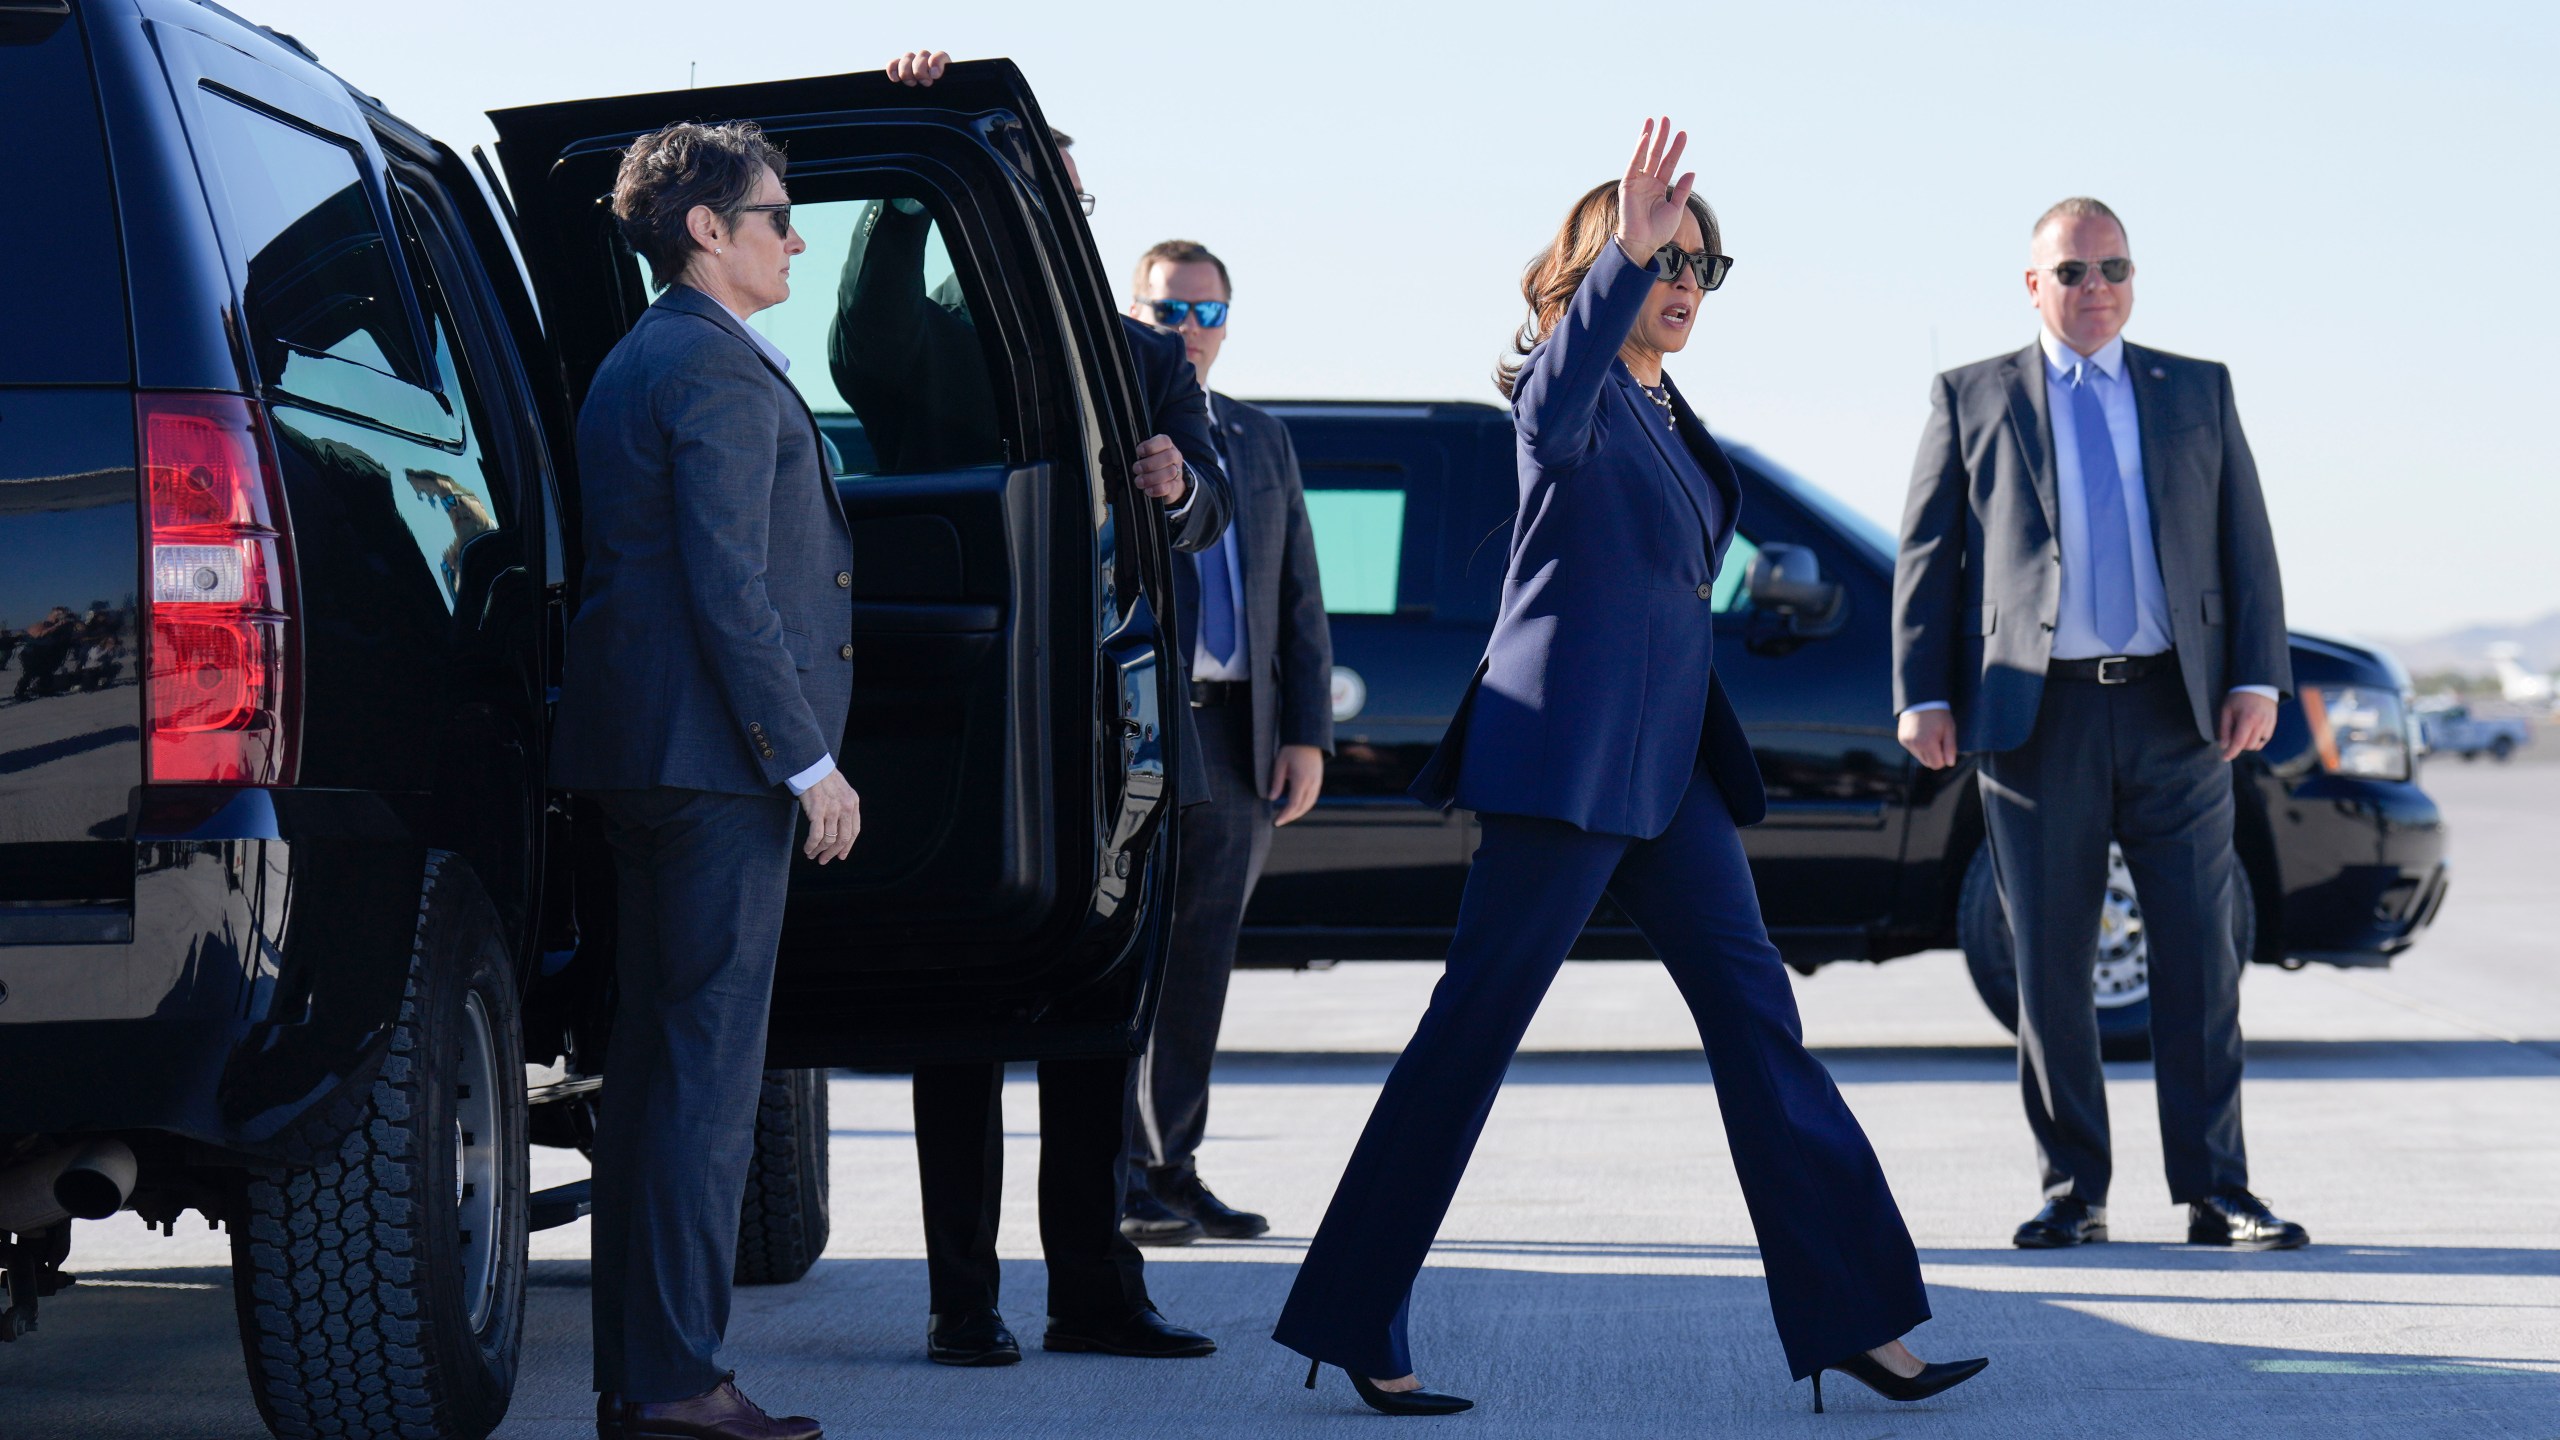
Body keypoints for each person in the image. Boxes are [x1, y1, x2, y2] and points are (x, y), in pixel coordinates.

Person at [1272, 119, 1988, 1419]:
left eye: (1703, 267)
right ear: (1595, 273)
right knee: (1470, 1039)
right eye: (1664, 258)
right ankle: (1353, 1317)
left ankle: (1858, 1319)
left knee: (1760, 1021)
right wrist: (1620, 261)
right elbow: (1551, 400)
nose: (1684, 282)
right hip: (1563, 763)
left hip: (1671, 775)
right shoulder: (1573, 391)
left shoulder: (1667, 410)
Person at [844, 46, 1233, 1371]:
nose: (1048, 211)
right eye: (1020, 189)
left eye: (1062, 193)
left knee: (1096, 1015)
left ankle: (1095, 1295)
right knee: (963, 1022)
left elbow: (1210, 509)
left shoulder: (1143, 354)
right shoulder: (932, 343)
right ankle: (963, 1302)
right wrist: (908, 169)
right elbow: (862, 341)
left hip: (1110, 728)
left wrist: (1177, 486)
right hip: (975, 720)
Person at [1891, 197, 2304, 1253]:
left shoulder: (2194, 391)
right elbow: (1929, 556)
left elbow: (2244, 544)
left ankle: (2217, 1191)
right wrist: (1922, 692)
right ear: (2033, 284)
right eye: (2071, 272)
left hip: (2177, 712)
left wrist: (2258, 675)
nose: (2095, 289)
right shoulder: (1970, 394)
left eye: (2112, 268)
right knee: (2051, 962)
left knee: (2200, 960)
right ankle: (2073, 1190)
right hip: (2037, 717)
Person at [552, 119, 858, 1440]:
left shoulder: (646, 355)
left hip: (646, 758)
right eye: (777, 216)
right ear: (705, 231)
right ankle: (678, 1385)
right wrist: (808, 763)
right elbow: (732, 588)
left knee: (659, 1083)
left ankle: (644, 1378)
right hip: (716, 769)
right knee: (704, 1090)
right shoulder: (717, 370)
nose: (795, 239)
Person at [1116, 240, 1334, 1246]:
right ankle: (1117, 1171)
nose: (1189, 333)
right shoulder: (1116, 427)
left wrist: (1304, 733)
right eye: (1169, 314)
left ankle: (1174, 1165)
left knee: (1202, 959)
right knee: (1130, 955)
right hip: (1137, 730)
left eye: (1206, 314)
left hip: (1240, 731)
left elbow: (1297, 595)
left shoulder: (1259, 436)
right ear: (1134, 313)